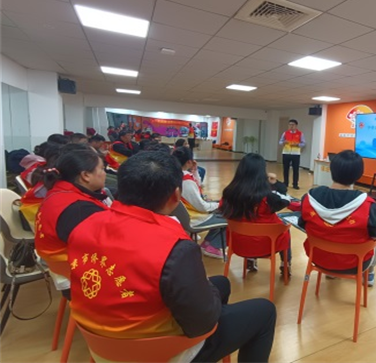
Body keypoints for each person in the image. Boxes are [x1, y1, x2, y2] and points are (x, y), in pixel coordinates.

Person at [68, 152, 276, 363]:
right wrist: (205, 288)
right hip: (159, 351)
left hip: (100, 346)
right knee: (264, 310)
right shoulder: (174, 246)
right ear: (176, 196)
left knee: (222, 283)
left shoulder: (83, 227)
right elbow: (202, 323)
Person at [298, 150, 376, 286]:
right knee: (374, 241)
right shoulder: (368, 205)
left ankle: (331, 272)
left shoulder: (309, 197)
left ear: (332, 170)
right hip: (355, 264)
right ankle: (369, 275)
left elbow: (303, 224)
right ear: (359, 174)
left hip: (318, 258)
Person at [35, 146, 109, 293]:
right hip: (82, 278)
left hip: (63, 266)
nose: (104, 173)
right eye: (101, 169)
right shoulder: (79, 209)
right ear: (85, 175)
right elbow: (108, 248)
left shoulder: (60, 192)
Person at [220, 153, 291, 273]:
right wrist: (276, 183)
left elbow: (222, 209)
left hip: (238, 243)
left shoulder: (229, 193)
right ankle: (286, 264)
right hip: (266, 244)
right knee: (284, 227)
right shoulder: (268, 197)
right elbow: (285, 200)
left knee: (248, 223)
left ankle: (250, 260)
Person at [172, 146, 226, 259]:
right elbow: (202, 207)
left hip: (183, 215)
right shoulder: (186, 181)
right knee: (229, 215)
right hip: (194, 218)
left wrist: (195, 170)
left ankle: (207, 243)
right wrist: (219, 204)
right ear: (189, 161)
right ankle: (213, 246)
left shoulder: (175, 175)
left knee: (218, 209)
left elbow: (197, 185)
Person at [279, 119, 305, 190]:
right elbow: (280, 142)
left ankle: (295, 184)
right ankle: (285, 183)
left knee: (295, 169)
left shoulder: (300, 134)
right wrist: (283, 142)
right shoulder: (285, 133)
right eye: (290, 125)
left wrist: (298, 144)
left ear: (296, 125)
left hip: (296, 154)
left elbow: (303, 143)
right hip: (286, 153)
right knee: (285, 169)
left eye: (293, 125)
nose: (291, 126)